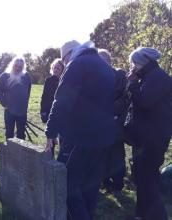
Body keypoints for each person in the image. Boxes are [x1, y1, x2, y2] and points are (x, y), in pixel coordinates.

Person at [45, 40, 115, 220]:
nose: (65, 64)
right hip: (104, 138)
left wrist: (50, 132)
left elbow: (61, 101)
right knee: (90, 185)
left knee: (68, 186)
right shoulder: (105, 67)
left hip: (81, 138)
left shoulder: (77, 64)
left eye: (64, 61)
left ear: (69, 55)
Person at [125, 47, 172, 220]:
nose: (132, 67)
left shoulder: (157, 77)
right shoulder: (149, 76)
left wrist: (132, 84)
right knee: (142, 179)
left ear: (141, 62)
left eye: (133, 63)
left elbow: (145, 101)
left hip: (152, 139)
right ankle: (141, 215)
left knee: (148, 182)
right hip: (146, 137)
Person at [98, 49, 128, 194]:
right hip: (100, 125)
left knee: (116, 155)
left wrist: (110, 110)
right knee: (101, 154)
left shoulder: (120, 74)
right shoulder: (95, 77)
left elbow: (124, 98)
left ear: (109, 60)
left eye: (104, 59)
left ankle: (118, 185)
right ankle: (104, 181)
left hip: (116, 124)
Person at [0, 57, 31, 140]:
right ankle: (9, 152)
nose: (18, 68)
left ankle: (20, 152)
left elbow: (28, 91)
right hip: (9, 110)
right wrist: (4, 104)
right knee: (9, 134)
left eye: (20, 67)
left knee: (21, 134)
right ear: (12, 65)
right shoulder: (4, 76)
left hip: (22, 111)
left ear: (23, 67)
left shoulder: (26, 77)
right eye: (16, 66)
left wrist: (25, 105)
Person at [40, 58, 64, 157]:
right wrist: (43, 111)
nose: (56, 69)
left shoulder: (64, 80)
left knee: (62, 136)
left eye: (58, 68)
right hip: (50, 110)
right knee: (51, 135)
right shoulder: (48, 80)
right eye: (55, 67)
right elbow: (44, 97)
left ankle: (62, 156)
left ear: (62, 69)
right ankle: (51, 156)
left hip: (61, 111)